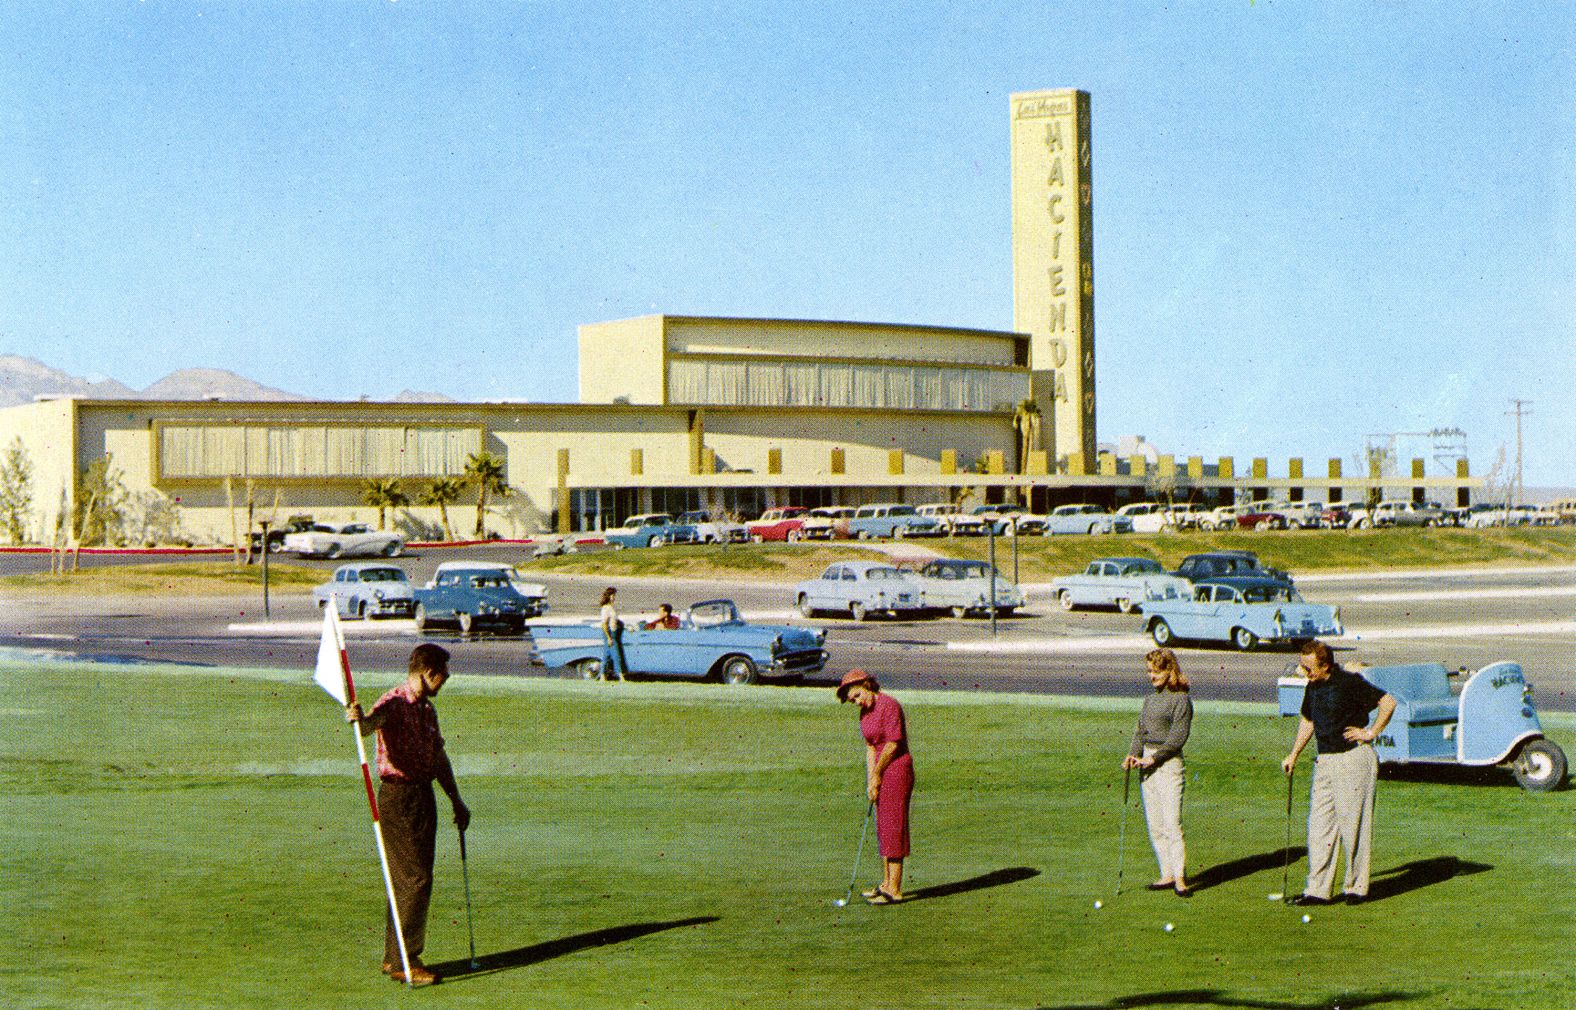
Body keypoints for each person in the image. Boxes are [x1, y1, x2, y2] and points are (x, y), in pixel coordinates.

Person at [345, 643, 471, 987]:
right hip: (398, 797)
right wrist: (359, 718)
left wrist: (456, 800)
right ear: (427, 671)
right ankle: (406, 959)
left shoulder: (428, 711)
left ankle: (394, 956)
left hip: (422, 795)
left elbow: (439, 759)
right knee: (415, 879)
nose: (446, 679)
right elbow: (371, 724)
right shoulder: (394, 701)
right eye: (443, 673)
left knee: (408, 879)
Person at [1281, 639, 1396, 906]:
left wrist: (1370, 733)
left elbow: (1387, 702)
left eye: (1309, 668)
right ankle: (1317, 890)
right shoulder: (1313, 686)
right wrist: (1294, 754)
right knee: (1319, 827)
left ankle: (1356, 887)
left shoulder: (1349, 682)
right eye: (1302, 667)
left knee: (1353, 826)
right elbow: (1308, 720)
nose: (1305, 673)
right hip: (1325, 761)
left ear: (1326, 665)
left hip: (1353, 759)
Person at [837, 669, 914, 904]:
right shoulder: (865, 714)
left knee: (894, 825)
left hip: (897, 769)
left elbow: (892, 745)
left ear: (867, 685)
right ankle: (886, 883)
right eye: (853, 701)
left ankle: (895, 889)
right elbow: (870, 748)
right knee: (883, 826)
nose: (857, 702)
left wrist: (878, 773)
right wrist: (871, 780)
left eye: (858, 696)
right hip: (882, 771)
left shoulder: (890, 706)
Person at [1123, 647, 1193, 896]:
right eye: (1149, 671)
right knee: (1155, 824)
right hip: (1147, 764)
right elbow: (1140, 730)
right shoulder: (1150, 699)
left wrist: (1154, 759)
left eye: (1156, 671)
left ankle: (1181, 879)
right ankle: (1167, 874)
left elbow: (1177, 738)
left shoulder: (1181, 699)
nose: (1151, 676)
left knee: (1172, 823)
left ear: (1169, 670)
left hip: (1169, 763)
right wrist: (1133, 755)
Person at [599, 586, 627, 680]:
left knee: (607, 655)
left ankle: (602, 675)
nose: (614, 597)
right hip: (610, 633)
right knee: (616, 654)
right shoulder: (606, 608)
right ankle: (621, 676)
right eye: (612, 595)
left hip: (615, 632)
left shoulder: (611, 608)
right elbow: (604, 624)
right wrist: (609, 637)